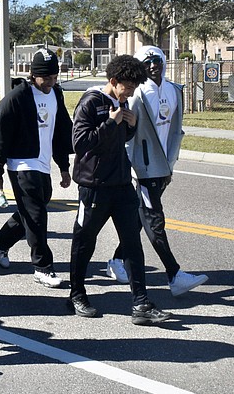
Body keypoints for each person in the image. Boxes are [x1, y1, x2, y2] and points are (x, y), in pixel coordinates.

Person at [70, 55, 172, 325]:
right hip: (93, 186)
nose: (131, 91)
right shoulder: (90, 102)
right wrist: (112, 122)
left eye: (135, 87)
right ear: (113, 81)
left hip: (122, 184)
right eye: (127, 86)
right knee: (84, 242)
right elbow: (80, 143)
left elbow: (120, 139)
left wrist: (130, 125)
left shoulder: (122, 103)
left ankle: (141, 304)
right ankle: (77, 294)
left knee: (132, 244)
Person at [106, 46, 209, 296]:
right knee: (154, 221)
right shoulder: (136, 94)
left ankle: (117, 261)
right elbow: (125, 132)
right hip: (142, 167)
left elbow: (175, 128)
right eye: (147, 61)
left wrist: (171, 162)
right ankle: (174, 274)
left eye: (157, 60)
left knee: (140, 220)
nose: (153, 65)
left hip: (164, 166)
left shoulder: (174, 90)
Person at [0, 48, 73, 288]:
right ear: (33, 75)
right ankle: (42, 267)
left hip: (43, 163)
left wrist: (64, 166)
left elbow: (60, 130)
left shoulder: (56, 94)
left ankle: (1, 239)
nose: (50, 82)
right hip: (22, 163)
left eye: (54, 77)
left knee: (32, 209)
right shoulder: (18, 97)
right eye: (45, 77)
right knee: (36, 214)